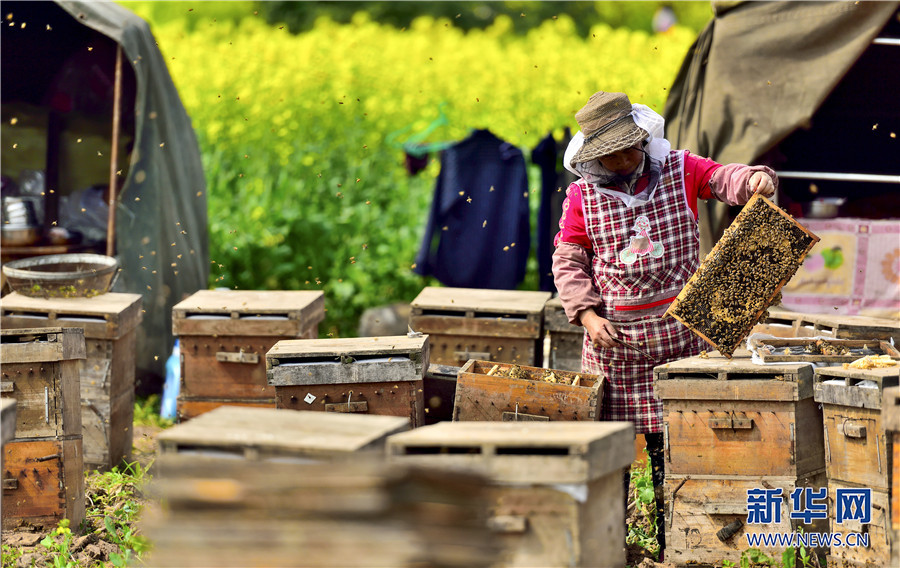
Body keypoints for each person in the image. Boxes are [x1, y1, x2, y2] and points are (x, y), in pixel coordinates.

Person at [551, 91, 777, 556]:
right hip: (616, 345)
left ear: (642, 138)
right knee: (611, 453)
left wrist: (752, 179)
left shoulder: (679, 168)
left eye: (627, 148)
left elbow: (721, 177)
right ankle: (610, 545)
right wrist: (588, 315)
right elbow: (568, 258)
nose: (621, 160)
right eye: (609, 154)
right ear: (593, 155)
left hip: (681, 339)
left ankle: (676, 542)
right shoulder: (582, 197)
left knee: (673, 449)